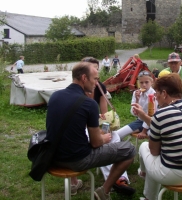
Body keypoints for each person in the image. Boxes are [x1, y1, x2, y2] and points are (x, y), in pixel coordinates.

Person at [46, 62, 136, 199]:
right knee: (129, 149)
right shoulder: (89, 103)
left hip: (52, 157)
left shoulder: (55, 96)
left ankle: (76, 184)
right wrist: (104, 139)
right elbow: (96, 144)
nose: (96, 83)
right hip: (76, 160)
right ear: (84, 78)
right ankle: (104, 191)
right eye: (95, 79)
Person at [132, 73, 182, 200]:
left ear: (164, 93)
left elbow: (154, 151)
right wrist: (143, 116)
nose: (155, 97)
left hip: (177, 174)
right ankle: (147, 187)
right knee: (157, 158)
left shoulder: (161, 114)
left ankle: (144, 174)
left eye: (156, 93)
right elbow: (166, 124)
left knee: (145, 147)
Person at [82, 57, 135, 195]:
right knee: (103, 144)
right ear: (84, 73)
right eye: (92, 69)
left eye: (96, 69)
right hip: (82, 128)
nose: (95, 73)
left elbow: (105, 113)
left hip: (95, 125)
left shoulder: (100, 87)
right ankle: (116, 180)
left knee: (114, 137)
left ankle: (121, 178)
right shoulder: (78, 89)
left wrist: (104, 127)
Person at [116, 71, 158, 140]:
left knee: (152, 136)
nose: (144, 85)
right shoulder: (136, 93)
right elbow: (133, 113)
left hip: (152, 123)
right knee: (117, 134)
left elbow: (151, 115)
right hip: (140, 121)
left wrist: (144, 131)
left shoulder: (154, 95)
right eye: (141, 83)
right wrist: (137, 100)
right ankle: (121, 148)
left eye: (146, 82)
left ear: (151, 82)